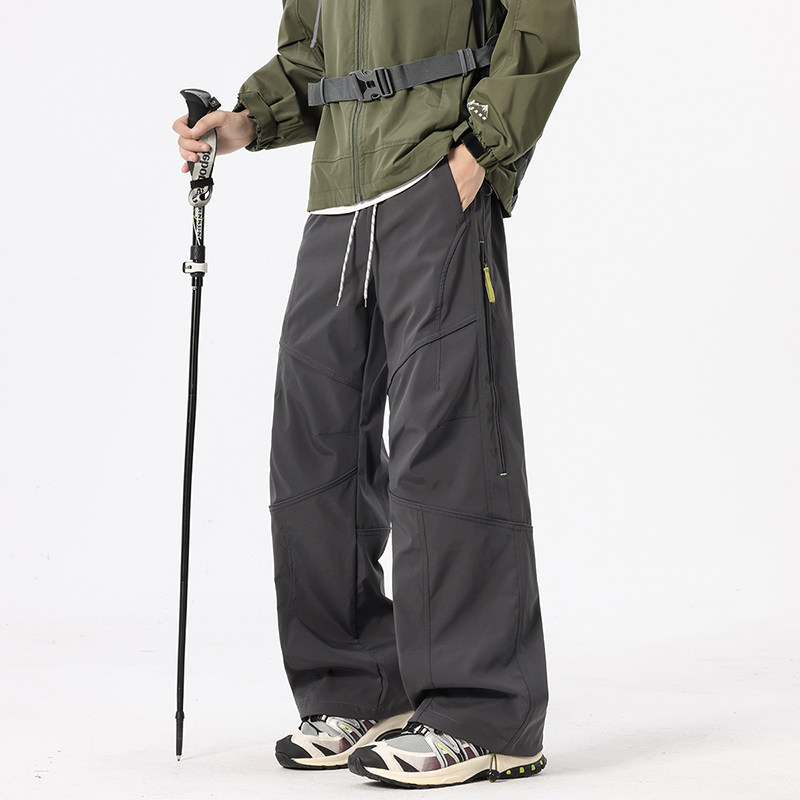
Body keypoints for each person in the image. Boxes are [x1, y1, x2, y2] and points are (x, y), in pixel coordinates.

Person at [173, 0, 579, 788]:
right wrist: (246, 119)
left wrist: (479, 153)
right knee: (312, 446)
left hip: (435, 173)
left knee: (446, 439)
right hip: (338, 196)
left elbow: (543, 25)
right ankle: (360, 682)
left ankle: (485, 713)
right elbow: (312, 52)